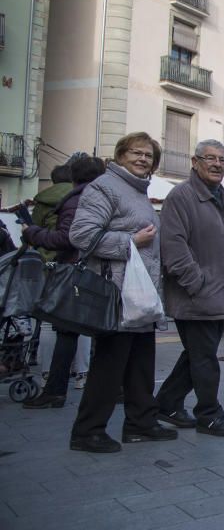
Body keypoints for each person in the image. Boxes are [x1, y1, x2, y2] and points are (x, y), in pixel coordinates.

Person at [68, 132, 178, 453]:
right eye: (136, 153)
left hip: (139, 295)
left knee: (141, 361)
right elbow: (81, 234)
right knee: (109, 364)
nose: (143, 159)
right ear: (120, 155)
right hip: (117, 293)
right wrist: (130, 241)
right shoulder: (104, 187)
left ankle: (140, 423)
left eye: (149, 155)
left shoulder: (137, 190)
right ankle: (87, 431)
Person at [156, 140, 224, 437]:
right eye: (210, 158)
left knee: (197, 353)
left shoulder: (222, 197)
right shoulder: (181, 196)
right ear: (194, 162)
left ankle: (166, 402)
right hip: (196, 296)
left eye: (222, 160)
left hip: (220, 292)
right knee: (204, 356)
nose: (218, 164)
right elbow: (173, 248)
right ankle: (208, 413)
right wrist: (198, 283)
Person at [22, 155, 105, 409]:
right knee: (92, 331)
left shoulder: (76, 200)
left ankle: (55, 389)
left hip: (72, 270)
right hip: (93, 270)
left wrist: (33, 233)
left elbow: (67, 238)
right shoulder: (98, 196)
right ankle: (97, 384)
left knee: (65, 330)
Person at [29, 164, 74, 262]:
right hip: (71, 257)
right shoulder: (79, 196)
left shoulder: (43, 199)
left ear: (54, 179)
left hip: (44, 256)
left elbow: (33, 227)